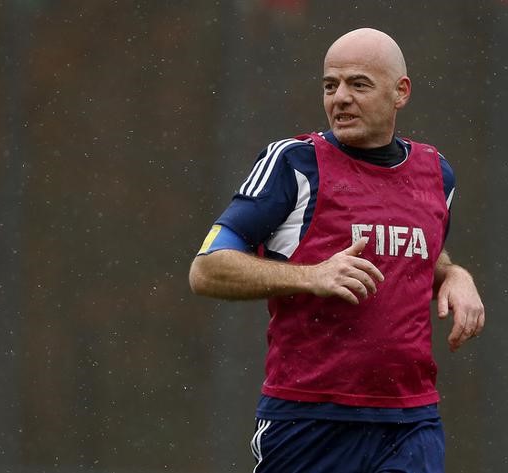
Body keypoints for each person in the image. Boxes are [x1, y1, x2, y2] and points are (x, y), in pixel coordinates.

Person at [189, 28, 485, 473]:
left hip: (410, 421)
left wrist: (456, 275)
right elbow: (207, 270)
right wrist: (312, 275)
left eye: (358, 84)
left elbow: (420, 258)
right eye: (331, 85)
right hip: (309, 420)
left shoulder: (436, 174)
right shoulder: (293, 164)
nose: (340, 97)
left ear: (400, 92)